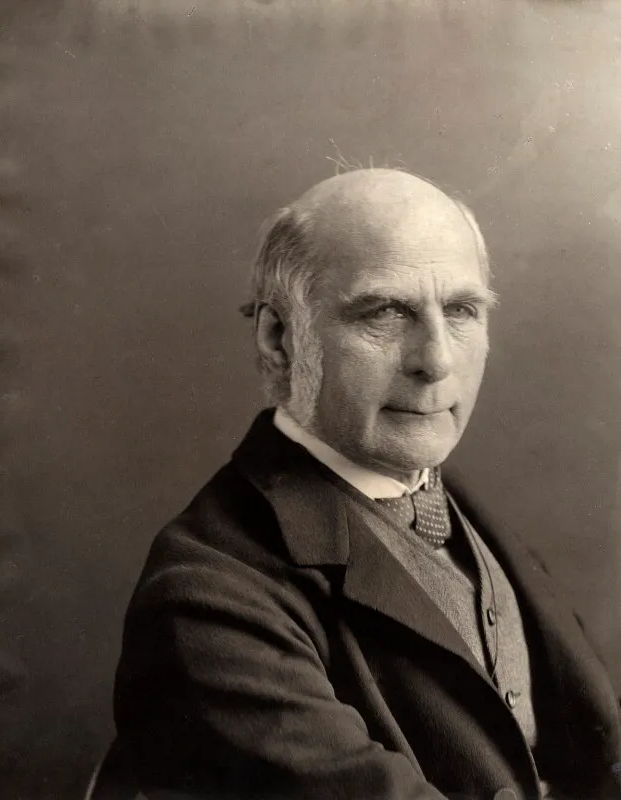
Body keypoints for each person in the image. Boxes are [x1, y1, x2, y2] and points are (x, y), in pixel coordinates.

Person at [114, 169, 621, 800]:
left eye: (462, 310)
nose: (437, 360)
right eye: (386, 312)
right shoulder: (206, 594)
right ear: (279, 338)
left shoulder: (460, 504)